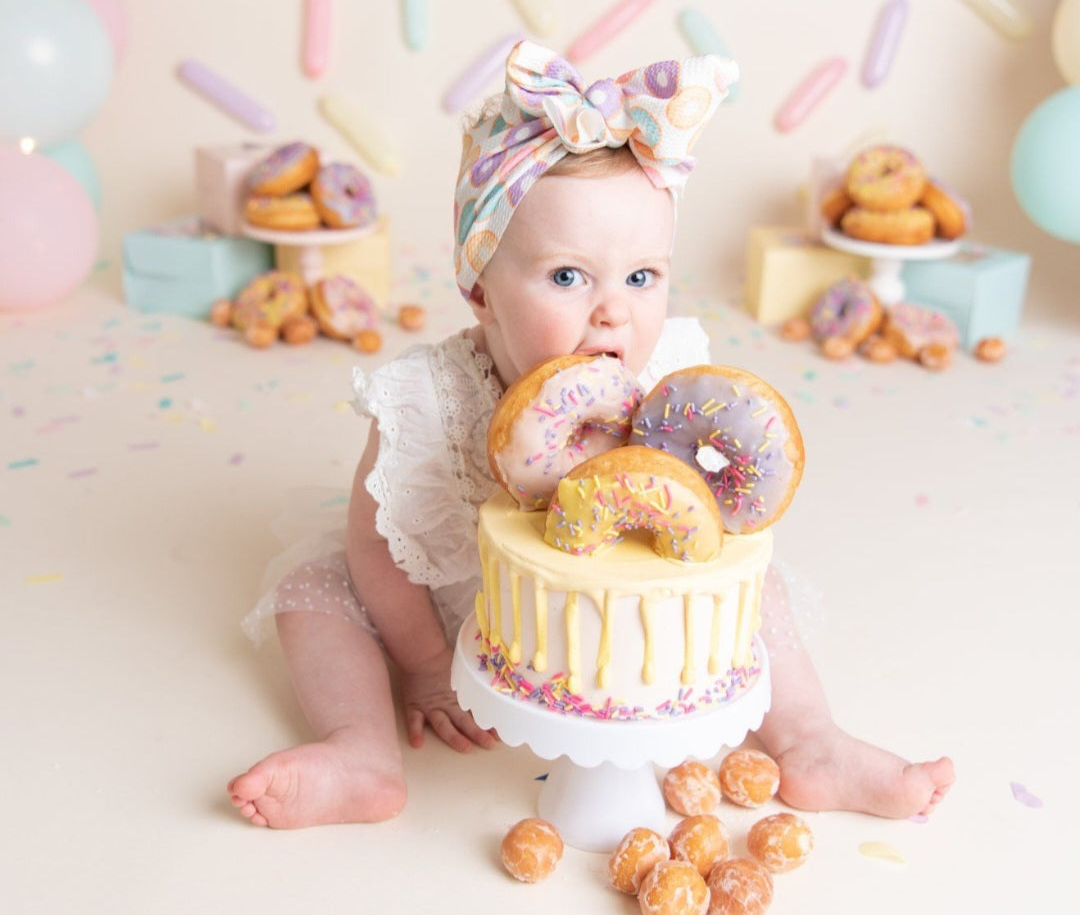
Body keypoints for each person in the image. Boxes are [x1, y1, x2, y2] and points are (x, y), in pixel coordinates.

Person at [228, 42, 954, 830]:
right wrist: (432, 668)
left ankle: (811, 740)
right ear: (479, 289)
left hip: (632, 596)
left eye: (641, 277)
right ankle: (360, 750)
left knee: (760, 591)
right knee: (316, 592)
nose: (614, 311)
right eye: (569, 277)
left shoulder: (671, 381)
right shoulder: (428, 399)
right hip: (456, 610)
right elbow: (377, 546)